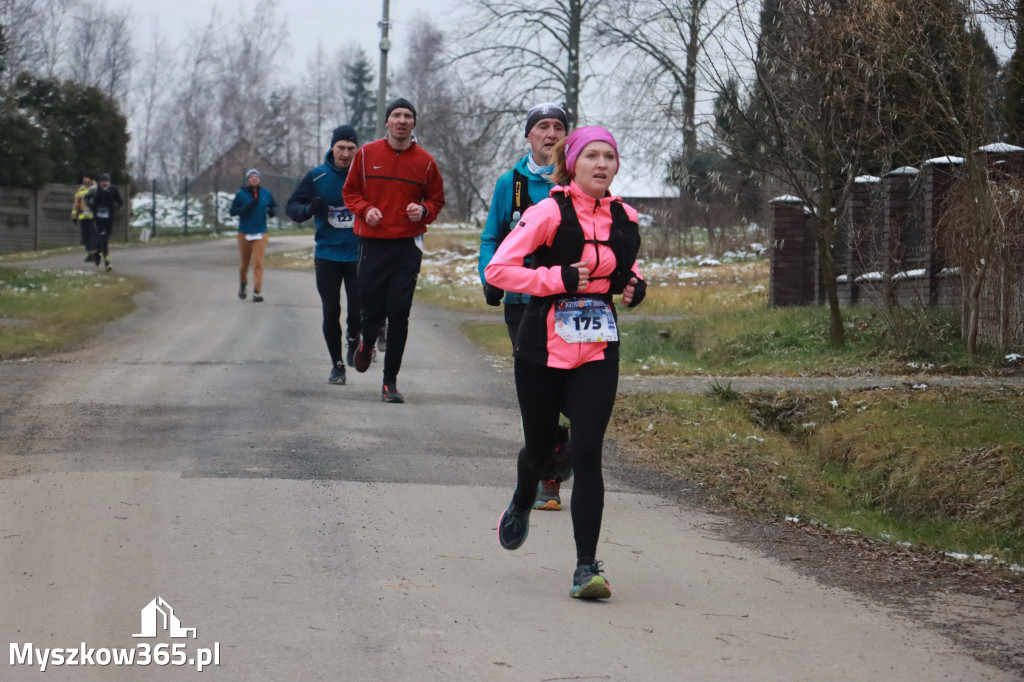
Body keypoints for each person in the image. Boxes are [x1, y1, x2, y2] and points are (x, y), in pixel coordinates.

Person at [485, 126, 646, 600]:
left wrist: (636, 286)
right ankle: (521, 500)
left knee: (588, 451)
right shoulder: (547, 212)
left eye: (609, 157)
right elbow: (499, 268)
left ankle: (585, 568)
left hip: (598, 346)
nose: (601, 164)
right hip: (542, 346)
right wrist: (556, 277)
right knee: (539, 453)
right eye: (592, 156)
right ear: (572, 163)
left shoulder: (625, 216)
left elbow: (626, 267)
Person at [479, 102, 572, 512]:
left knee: (568, 393)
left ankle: (562, 440)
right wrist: (489, 276)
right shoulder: (510, 184)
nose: (550, 134)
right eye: (542, 127)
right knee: (537, 393)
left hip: (570, 304)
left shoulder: (578, 183)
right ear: (529, 136)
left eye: (558, 127)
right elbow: (490, 237)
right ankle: (546, 479)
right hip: (523, 303)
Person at [342, 97, 446, 403]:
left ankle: (390, 383)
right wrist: (365, 210)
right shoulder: (365, 154)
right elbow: (350, 192)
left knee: (400, 313)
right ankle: (366, 342)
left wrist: (423, 210)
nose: (402, 120)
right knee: (371, 310)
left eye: (408, 116)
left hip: (407, 245)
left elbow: (436, 200)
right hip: (372, 243)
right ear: (387, 121)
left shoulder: (425, 162)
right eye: (396, 115)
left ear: (413, 123)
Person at [286, 124, 362, 385]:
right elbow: (292, 207)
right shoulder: (317, 176)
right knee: (331, 310)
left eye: (351, 148)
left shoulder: (363, 176)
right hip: (327, 255)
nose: (345, 153)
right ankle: (337, 365)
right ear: (332, 148)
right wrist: (309, 208)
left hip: (357, 255)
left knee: (357, 310)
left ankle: (354, 338)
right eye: (341, 147)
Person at [229, 168, 277, 302]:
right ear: (248, 180)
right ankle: (243, 284)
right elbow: (232, 211)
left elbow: (273, 206)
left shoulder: (266, 193)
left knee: (258, 263)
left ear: (259, 179)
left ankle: (257, 291)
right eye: (251, 177)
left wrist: (272, 211)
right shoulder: (241, 194)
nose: (254, 179)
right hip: (244, 232)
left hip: (260, 232)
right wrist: (246, 207)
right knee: (245, 263)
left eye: (256, 176)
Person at [89, 173, 124, 271]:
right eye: (103, 181)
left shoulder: (113, 190)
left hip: (109, 219)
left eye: (106, 181)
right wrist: (94, 208)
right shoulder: (96, 191)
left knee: (105, 240)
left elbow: (120, 202)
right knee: (103, 239)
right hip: (99, 219)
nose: (105, 183)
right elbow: (92, 203)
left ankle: (97, 254)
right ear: (100, 182)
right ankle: (107, 262)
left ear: (109, 182)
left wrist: (116, 207)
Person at [71, 172, 98, 265]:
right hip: (83, 217)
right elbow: (76, 204)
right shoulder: (81, 189)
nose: (84, 180)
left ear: (91, 179)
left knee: (93, 236)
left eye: (86, 178)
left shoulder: (97, 189)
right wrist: (74, 216)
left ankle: (95, 255)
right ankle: (89, 254)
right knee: (85, 237)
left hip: (94, 217)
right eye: (84, 178)